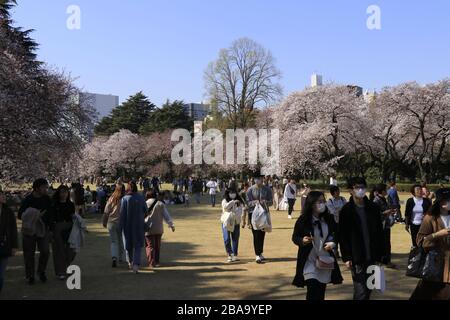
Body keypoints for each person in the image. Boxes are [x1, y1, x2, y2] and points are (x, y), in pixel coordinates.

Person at [339, 177, 385, 300]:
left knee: (370, 288)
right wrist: (346, 256)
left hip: (373, 255)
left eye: (362, 187)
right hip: (357, 257)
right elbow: (343, 236)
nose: (360, 190)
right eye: (357, 187)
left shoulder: (373, 208)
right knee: (361, 291)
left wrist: (382, 254)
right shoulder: (346, 210)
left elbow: (380, 232)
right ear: (350, 190)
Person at [292, 191, 343, 300]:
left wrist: (333, 243)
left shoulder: (329, 219)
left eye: (323, 201)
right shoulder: (303, 220)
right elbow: (295, 237)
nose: (322, 204)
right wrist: (302, 240)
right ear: (311, 203)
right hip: (309, 261)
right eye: (319, 201)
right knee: (312, 289)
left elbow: (336, 234)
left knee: (320, 292)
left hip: (324, 261)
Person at [410, 188, 450, 300]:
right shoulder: (430, 218)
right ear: (441, 202)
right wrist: (437, 234)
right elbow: (420, 241)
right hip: (436, 265)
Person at [18, 178, 52, 285]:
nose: (46, 189)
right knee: (29, 254)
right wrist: (35, 214)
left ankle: (41, 271)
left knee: (45, 251)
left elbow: (51, 214)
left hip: (43, 229)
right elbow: (20, 215)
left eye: (46, 187)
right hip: (29, 230)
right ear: (37, 188)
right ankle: (30, 275)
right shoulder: (27, 200)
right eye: (44, 187)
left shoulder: (47, 199)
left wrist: (49, 226)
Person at [120, 182, 147, 273]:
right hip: (139, 225)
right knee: (138, 245)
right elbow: (145, 210)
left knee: (128, 245)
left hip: (127, 225)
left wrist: (121, 226)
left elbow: (122, 214)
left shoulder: (124, 199)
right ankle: (136, 264)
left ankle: (130, 262)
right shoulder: (140, 198)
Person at [51, 185, 76, 280]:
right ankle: (60, 272)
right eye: (62, 192)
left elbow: (72, 216)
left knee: (71, 251)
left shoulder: (70, 204)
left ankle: (64, 268)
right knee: (59, 251)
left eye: (66, 192)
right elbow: (52, 218)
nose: (64, 194)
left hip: (69, 228)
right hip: (57, 228)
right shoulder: (54, 204)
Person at [246, 176, 273, 264]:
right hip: (253, 214)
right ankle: (257, 254)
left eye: (260, 178)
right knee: (256, 234)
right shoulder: (250, 190)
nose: (258, 180)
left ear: (263, 179)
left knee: (262, 233)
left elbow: (271, 202)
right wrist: (254, 202)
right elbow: (247, 203)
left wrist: (265, 202)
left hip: (264, 213)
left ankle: (260, 253)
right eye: (256, 178)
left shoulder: (267, 189)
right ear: (254, 179)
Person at [145, 191, 175, 267]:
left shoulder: (144, 203)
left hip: (148, 227)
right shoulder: (160, 204)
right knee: (157, 246)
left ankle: (151, 262)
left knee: (150, 246)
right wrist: (171, 225)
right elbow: (166, 215)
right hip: (158, 228)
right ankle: (157, 261)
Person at [370, 183, 396, 268]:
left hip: (386, 225)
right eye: (386, 189)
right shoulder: (376, 200)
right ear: (382, 191)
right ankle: (382, 261)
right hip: (380, 226)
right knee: (382, 244)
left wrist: (390, 211)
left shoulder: (384, 199)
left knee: (387, 243)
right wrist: (386, 212)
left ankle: (386, 260)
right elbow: (374, 214)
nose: (387, 191)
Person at [0, 186, 18, 293]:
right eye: (0, 194)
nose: (3, 196)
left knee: (1, 276)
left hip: (4, 245)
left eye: (2, 194)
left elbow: (13, 230)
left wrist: (14, 246)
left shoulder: (8, 212)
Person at [103, 183, 125, 268]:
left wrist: (104, 222)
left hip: (111, 222)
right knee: (120, 240)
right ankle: (120, 257)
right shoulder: (124, 199)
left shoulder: (111, 199)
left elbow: (106, 212)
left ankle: (114, 257)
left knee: (113, 241)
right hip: (121, 222)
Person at [221, 188, 244, 263]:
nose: (233, 194)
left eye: (234, 192)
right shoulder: (224, 200)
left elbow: (240, 211)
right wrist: (233, 202)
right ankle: (229, 254)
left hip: (236, 222)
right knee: (226, 238)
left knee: (235, 239)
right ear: (228, 193)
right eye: (231, 192)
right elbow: (226, 207)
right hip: (226, 222)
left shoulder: (239, 201)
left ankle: (234, 254)